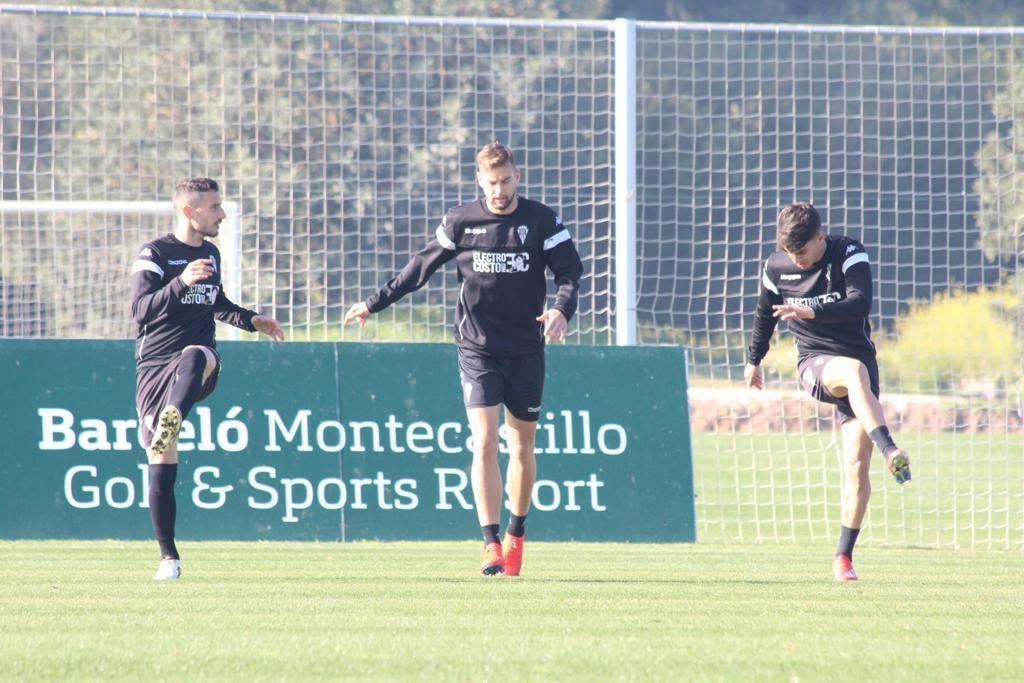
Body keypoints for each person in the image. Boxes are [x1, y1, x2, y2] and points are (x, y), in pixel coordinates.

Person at [343, 143, 584, 577]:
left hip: (527, 349)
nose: (500, 190)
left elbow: (570, 272)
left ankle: (516, 533)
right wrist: (373, 303)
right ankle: (490, 543)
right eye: (492, 183)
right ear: (480, 181)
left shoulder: (542, 220)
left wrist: (561, 309)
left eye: (506, 180)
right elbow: (419, 268)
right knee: (485, 440)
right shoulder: (461, 221)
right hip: (477, 347)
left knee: (522, 447)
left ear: (517, 176)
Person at [744, 202, 911, 582]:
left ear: (820, 237)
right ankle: (892, 449)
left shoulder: (849, 253)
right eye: (790, 253)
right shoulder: (776, 268)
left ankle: (843, 558)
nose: (797, 261)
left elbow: (860, 302)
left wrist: (811, 311)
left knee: (855, 469)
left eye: (802, 252)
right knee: (850, 372)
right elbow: (763, 313)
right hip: (816, 363)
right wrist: (755, 359)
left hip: (861, 371)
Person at [131, 177, 284, 581]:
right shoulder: (155, 254)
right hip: (154, 369)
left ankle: (173, 417)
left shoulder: (211, 254)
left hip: (197, 363)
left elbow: (214, 303)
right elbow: (140, 311)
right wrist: (180, 282)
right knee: (160, 459)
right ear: (189, 211)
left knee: (197, 354)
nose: (222, 214)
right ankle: (169, 558)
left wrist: (251, 320)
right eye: (214, 207)